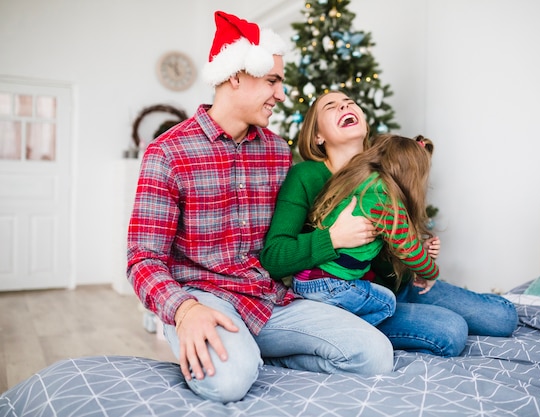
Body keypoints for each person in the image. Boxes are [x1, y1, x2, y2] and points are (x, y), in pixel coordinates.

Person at [126, 12, 393, 404]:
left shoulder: (277, 150)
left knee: (376, 355)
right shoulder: (168, 153)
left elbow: (293, 234)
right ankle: (241, 357)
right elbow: (142, 257)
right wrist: (183, 310)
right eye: (273, 80)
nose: (281, 95)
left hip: (269, 298)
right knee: (230, 381)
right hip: (205, 298)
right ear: (235, 76)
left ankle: (259, 359)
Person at [261, 91, 519, 357]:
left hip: (397, 286)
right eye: (331, 106)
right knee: (451, 331)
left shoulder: (386, 171)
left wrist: (419, 253)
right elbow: (273, 257)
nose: (345, 105)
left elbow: (397, 241)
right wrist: (334, 238)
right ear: (318, 136)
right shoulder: (305, 176)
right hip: (345, 298)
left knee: (503, 317)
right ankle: (351, 331)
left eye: (350, 102)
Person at [290, 134, 440, 326]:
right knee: (386, 303)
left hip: (304, 279)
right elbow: (410, 251)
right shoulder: (386, 202)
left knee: (368, 287)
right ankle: (340, 333)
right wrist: (431, 274)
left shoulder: (356, 182)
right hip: (328, 284)